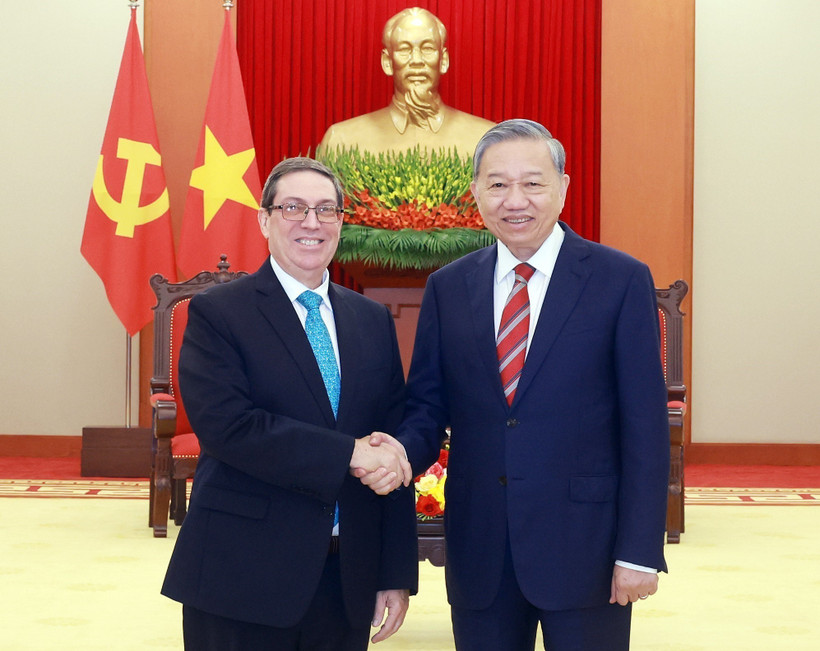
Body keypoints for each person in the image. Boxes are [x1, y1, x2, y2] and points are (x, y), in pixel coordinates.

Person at [358, 120, 670, 650]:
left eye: (533, 182)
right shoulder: (448, 287)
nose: (514, 199)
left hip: (587, 548)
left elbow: (644, 425)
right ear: (475, 192)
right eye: (497, 184)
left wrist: (639, 550)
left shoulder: (619, 280)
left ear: (563, 188)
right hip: (481, 547)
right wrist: (398, 454)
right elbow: (428, 407)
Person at [161, 157, 418, 650]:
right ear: (265, 219)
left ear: (342, 222)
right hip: (242, 575)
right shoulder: (219, 313)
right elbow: (228, 428)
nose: (311, 222)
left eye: (327, 210)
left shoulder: (371, 320)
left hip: (346, 579)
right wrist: (349, 452)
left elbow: (391, 444)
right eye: (294, 207)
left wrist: (394, 572)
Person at [318, 7, 494, 158]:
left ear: (443, 60)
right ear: (387, 62)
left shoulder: (485, 139)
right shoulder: (342, 141)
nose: (416, 60)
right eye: (404, 49)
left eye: (427, 48)